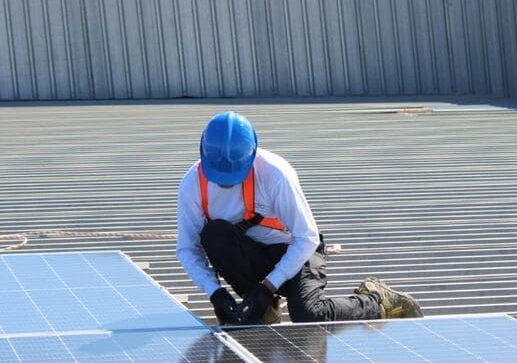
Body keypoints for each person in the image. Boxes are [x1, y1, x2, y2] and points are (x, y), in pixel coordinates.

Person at [176, 111, 422, 325]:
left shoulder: (275, 175)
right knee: (214, 234)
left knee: (309, 315)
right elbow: (187, 249)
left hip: (295, 252)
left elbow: (307, 238)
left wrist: (268, 286)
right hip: (252, 256)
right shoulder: (192, 185)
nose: (225, 183)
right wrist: (215, 292)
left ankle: (376, 299)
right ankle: (264, 310)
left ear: (250, 158)